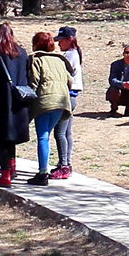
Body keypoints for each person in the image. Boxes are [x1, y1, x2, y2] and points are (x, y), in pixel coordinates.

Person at [0, 23, 32, 187]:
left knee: (2, 138)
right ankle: (13, 168)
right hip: (21, 100)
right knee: (13, 136)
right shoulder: (23, 53)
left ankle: (5, 176)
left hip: (3, 101)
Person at [27, 31, 73, 186]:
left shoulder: (37, 60)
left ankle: (42, 173)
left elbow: (34, 82)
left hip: (45, 102)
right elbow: (69, 80)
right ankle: (44, 170)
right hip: (62, 102)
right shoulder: (60, 60)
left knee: (42, 137)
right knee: (48, 135)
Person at [54, 26, 82, 178]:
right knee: (67, 132)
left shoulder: (71, 55)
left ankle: (64, 165)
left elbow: (66, 76)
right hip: (72, 97)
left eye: (61, 41)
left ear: (69, 40)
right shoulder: (73, 53)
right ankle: (66, 163)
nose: (59, 44)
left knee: (60, 133)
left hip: (67, 96)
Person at [106, 45, 129, 116]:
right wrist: (123, 84)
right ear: (123, 54)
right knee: (113, 90)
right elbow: (112, 80)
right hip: (119, 90)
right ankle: (114, 110)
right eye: (126, 53)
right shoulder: (115, 64)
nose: (128, 55)